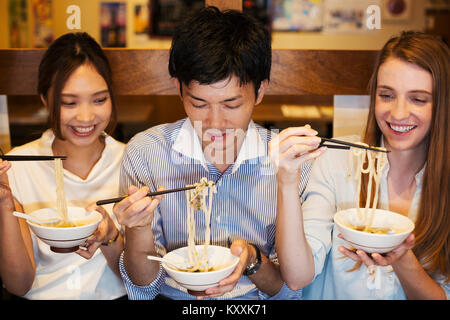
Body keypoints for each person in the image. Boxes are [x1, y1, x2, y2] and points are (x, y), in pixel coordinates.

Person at [113, 7, 311, 300]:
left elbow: (291, 290)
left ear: (260, 92)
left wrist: (253, 260)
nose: (215, 123)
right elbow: (145, 288)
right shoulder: (145, 153)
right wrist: (138, 229)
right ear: (179, 89)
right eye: (199, 104)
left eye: (231, 105)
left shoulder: (290, 163)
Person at [271, 31, 449, 299]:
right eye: (387, 95)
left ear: (442, 104)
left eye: (418, 99)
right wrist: (286, 181)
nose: (398, 113)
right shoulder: (336, 160)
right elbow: (297, 277)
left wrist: (401, 258)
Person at [0, 32, 127, 299]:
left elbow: (141, 280)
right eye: (69, 102)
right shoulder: (16, 167)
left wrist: (111, 236)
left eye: (100, 100)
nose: (86, 116)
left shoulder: (131, 161)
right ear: (45, 100)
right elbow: (18, 284)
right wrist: (4, 202)